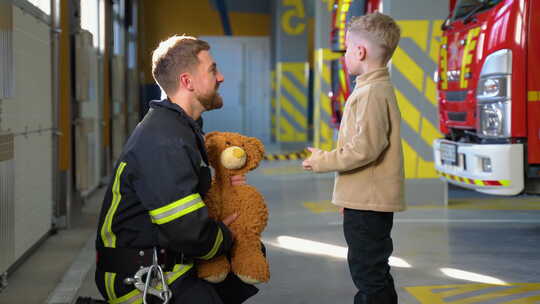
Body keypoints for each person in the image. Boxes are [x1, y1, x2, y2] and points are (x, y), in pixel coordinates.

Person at [94, 35, 258, 304]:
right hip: (140, 278)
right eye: (213, 70)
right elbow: (188, 231)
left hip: (164, 261)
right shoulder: (165, 139)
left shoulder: (178, 128)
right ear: (187, 81)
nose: (221, 77)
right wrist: (226, 235)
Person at [302, 13, 405, 304]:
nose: (345, 54)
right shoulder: (370, 88)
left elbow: (365, 149)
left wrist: (322, 161)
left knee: (368, 274)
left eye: (347, 48)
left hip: (369, 204)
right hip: (365, 200)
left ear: (360, 52)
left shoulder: (372, 93)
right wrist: (350, 198)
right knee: (373, 270)